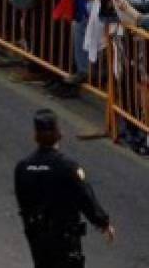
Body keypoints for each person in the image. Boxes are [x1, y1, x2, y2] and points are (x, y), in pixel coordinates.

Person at [15, 109, 114, 266]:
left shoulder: (22, 168)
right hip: (64, 239)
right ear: (58, 133)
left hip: (37, 239)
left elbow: (23, 203)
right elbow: (84, 197)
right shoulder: (67, 167)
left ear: (35, 135)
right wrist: (103, 222)